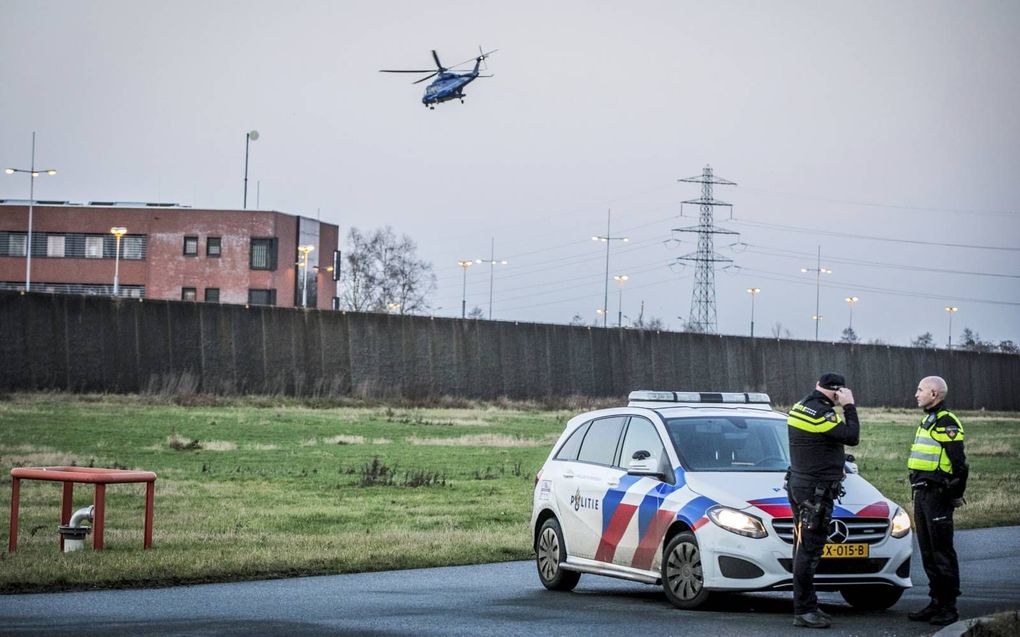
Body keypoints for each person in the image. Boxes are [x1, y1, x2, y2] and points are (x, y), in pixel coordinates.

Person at [786, 372, 860, 629]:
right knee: (808, 550)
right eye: (841, 393)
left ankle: (808, 605)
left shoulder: (800, 405)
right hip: (814, 493)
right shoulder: (821, 414)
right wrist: (849, 405)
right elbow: (852, 436)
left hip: (801, 487)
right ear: (837, 391)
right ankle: (804, 610)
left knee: (801, 547)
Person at [907, 376, 968, 626]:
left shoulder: (946, 421)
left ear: (934, 394)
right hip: (922, 493)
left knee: (942, 552)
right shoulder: (928, 420)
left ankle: (948, 607)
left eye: (920, 390)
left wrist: (952, 495)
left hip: (937, 494)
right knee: (928, 552)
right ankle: (935, 603)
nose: (916, 394)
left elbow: (960, 465)